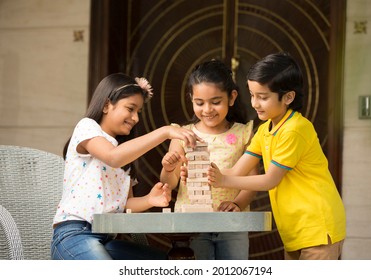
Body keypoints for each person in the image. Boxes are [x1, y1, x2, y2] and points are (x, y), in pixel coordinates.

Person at [205, 52, 346, 260]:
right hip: (295, 231)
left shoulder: (295, 129)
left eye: (262, 97)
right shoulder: (265, 130)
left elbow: (270, 180)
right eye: (252, 95)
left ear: (288, 97)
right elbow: (237, 171)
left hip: (317, 228)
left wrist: (223, 180)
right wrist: (200, 173)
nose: (254, 103)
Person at [51, 73, 200, 260]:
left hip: (105, 238)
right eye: (130, 109)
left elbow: (124, 204)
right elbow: (113, 158)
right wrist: (164, 132)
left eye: (138, 112)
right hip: (73, 235)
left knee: (165, 263)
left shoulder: (125, 152)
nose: (136, 118)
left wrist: (150, 199)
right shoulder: (87, 127)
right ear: (106, 105)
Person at [160, 60, 258, 260]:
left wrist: (237, 204)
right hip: (191, 224)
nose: (207, 109)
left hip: (232, 224)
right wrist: (169, 169)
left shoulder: (243, 134)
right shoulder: (182, 134)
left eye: (215, 102)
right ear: (191, 99)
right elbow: (169, 184)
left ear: (231, 98)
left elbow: (251, 181)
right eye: (200, 103)